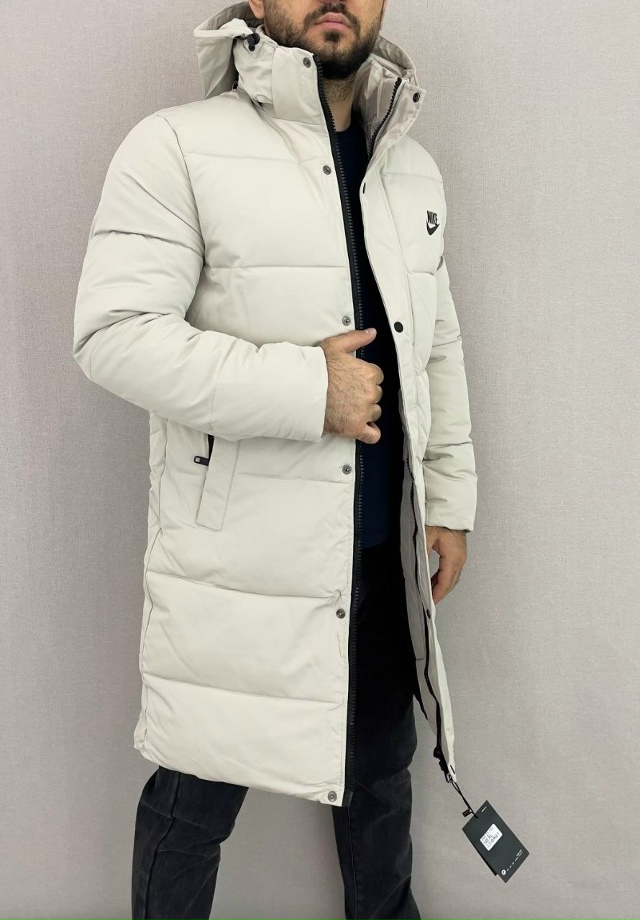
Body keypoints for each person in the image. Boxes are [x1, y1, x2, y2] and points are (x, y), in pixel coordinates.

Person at [72, 1, 477, 917]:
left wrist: (449, 501)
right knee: (192, 804)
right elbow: (113, 334)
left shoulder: (409, 166)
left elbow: (436, 349)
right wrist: (308, 389)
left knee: (381, 781)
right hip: (241, 567)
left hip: (379, 555)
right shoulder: (177, 146)